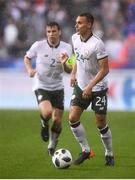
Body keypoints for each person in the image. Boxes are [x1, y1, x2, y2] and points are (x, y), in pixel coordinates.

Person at [63, 12, 114, 166]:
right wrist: (73, 73)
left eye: (79, 23)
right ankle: (86, 150)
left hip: (98, 87)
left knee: (100, 123)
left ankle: (109, 154)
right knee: (72, 118)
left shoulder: (97, 44)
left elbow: (105, 69)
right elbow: (77, 58)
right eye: (76, 22)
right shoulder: (74, 38)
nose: (76, 25)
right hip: (81, 85)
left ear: (89, 25)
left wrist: (91, 86)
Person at [24, 22, 72, 156]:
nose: (51, 34)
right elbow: (27, 58)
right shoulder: (38, 45)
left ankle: (53, 143)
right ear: (46, 33)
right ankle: (44, 123)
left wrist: (65, 64)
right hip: (41, 85)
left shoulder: (67, 48)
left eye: (54, 31)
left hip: (57, 87)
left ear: (59, 32)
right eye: (49, 32)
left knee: (57, 121)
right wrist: (29, 70)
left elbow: (69, 70)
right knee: (47, 112)